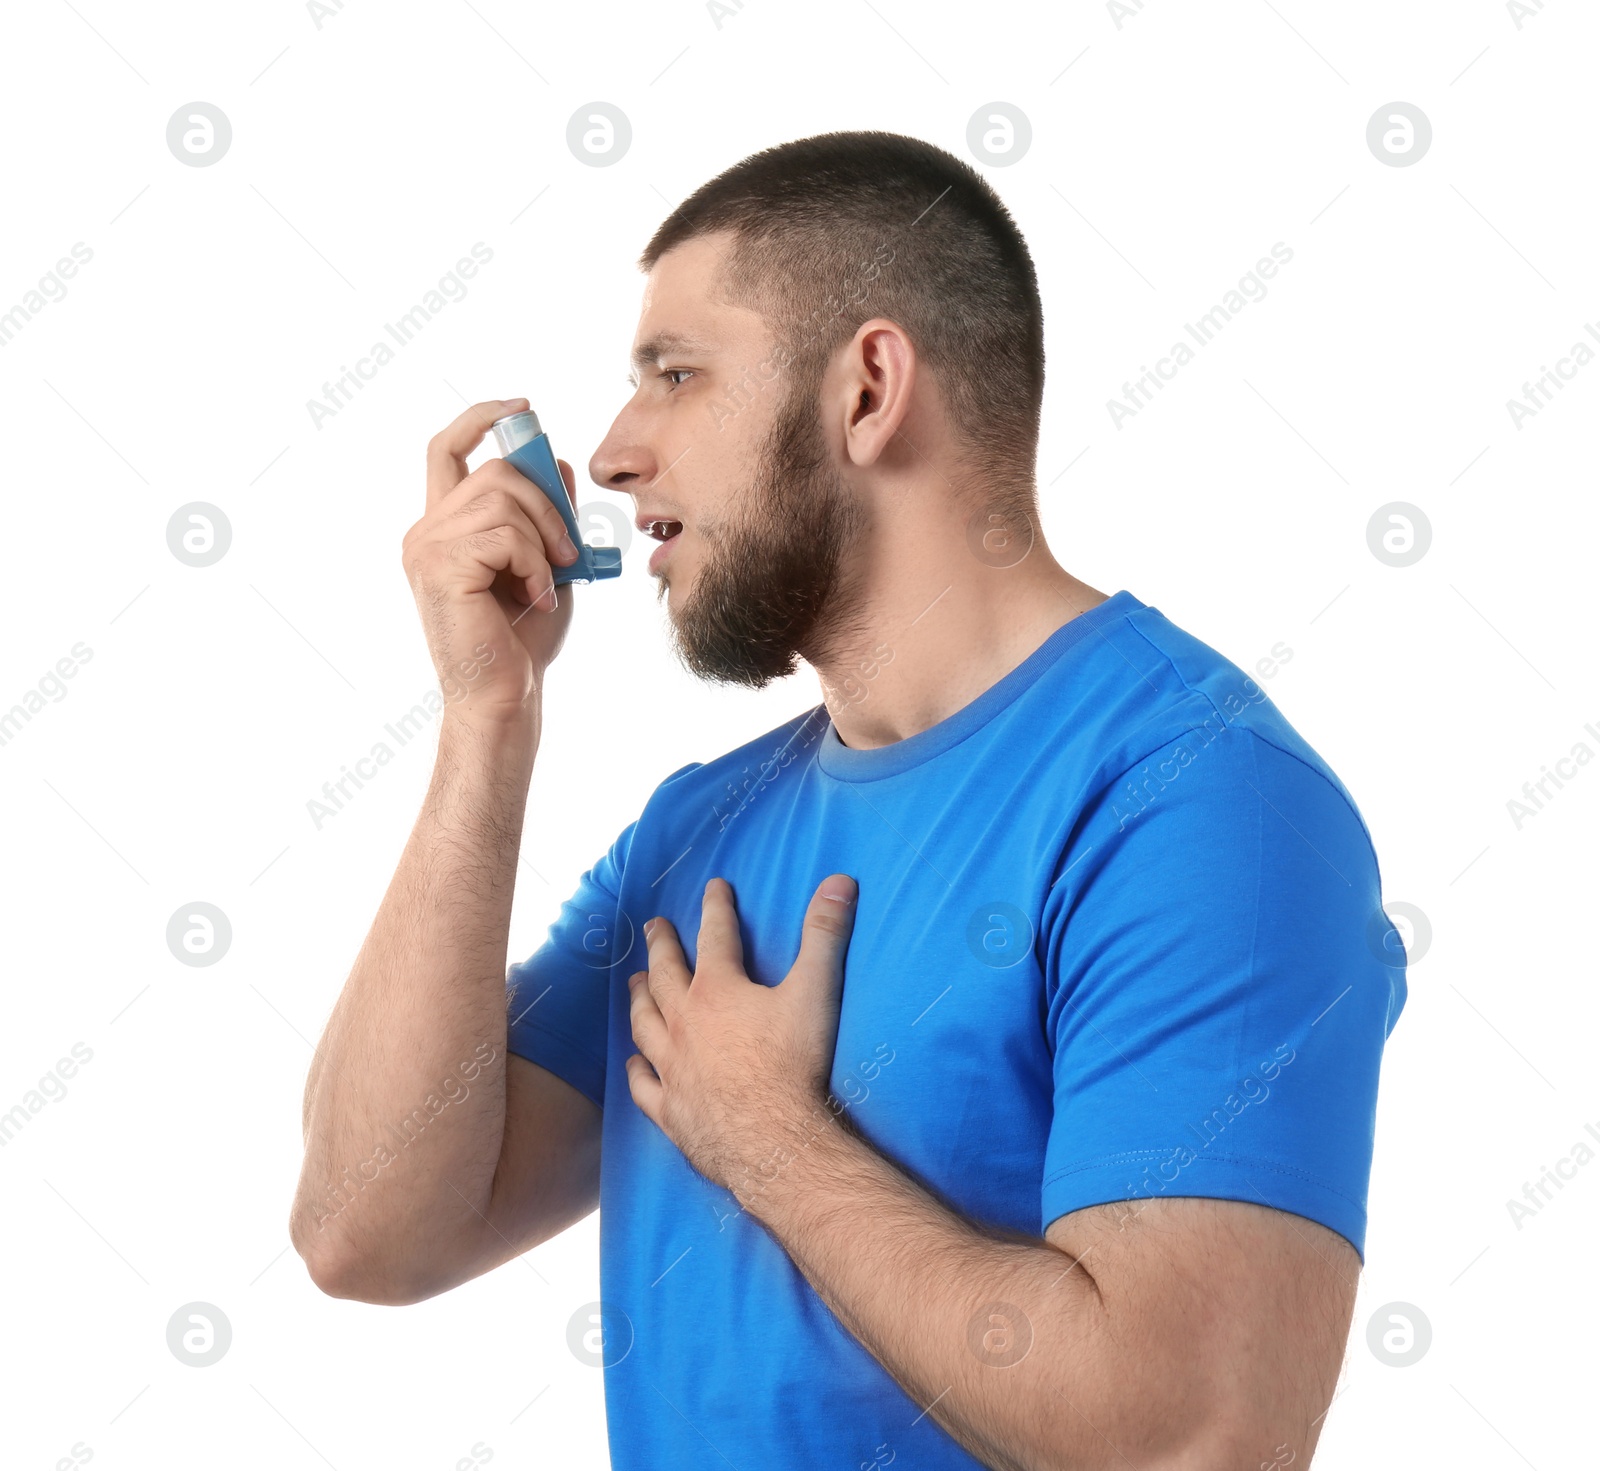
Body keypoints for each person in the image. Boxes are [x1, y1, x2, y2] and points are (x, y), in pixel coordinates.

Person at [291, 130, 1407, 1470]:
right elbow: (367, 1226)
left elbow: (1190, 1441)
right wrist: (486, 720)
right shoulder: (695, 834)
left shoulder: (1201, 805)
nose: (614, 454)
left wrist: (770, 1140)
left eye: (676, 376)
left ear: (869, 388)